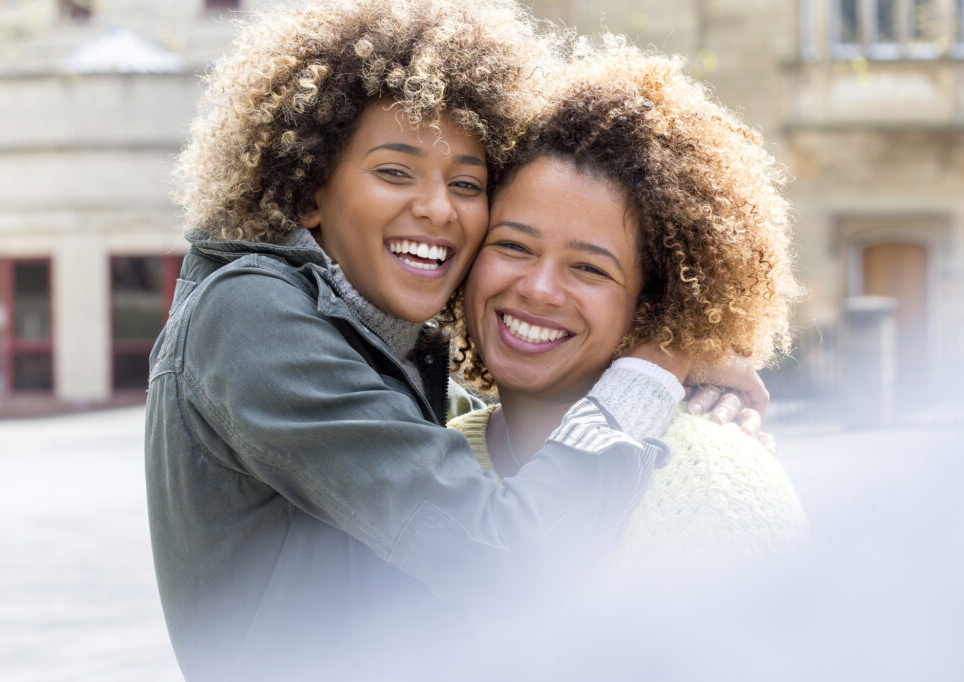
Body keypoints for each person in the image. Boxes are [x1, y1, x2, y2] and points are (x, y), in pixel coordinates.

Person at [145, 1, 768, 678]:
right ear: (307, 194)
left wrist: (674, 401)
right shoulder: (250, 313)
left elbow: (406, 455)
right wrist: (656, 365)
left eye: (467, 184)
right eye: (394, 172)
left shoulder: (365, 336)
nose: (438, 208)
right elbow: (505, 560)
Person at [449, 41, 808, 579]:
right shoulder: (429, 458)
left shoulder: (714, 484)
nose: (539, 288)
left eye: (589, 269)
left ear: (656, 302)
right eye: (514, 246)